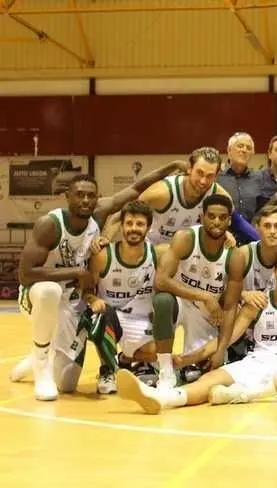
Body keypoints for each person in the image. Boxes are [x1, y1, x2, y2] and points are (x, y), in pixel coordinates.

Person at [11, 159, 187, 401]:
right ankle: (41, 362)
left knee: (67, 384)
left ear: (97, 197)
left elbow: (137, 188)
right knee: (49, 291)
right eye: (79, 195)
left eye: (90, 195)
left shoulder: (99, 214)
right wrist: (76, 272)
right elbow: (26, 273)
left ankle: (38, 354)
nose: (85, 200)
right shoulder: (50, 225)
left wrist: (171, 166)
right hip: (37, 295)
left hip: (73, 299)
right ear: (67, 196)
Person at [117, 247, 277, 414]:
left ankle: (246, 395)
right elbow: (226, 339)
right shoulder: (257, 303)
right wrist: (187, 359)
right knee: (210, 380)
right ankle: (161, 398)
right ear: (274, 271)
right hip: (258, 362)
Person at [149, 194, 247, 388]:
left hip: (206, 313)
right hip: (180, 301)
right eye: (211, 216)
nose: (216, 221)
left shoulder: (235, 256)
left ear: (229, 220)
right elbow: (160, 280)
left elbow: (230, 307)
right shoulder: (185, 238)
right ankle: (165, 370)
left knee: (201, 372)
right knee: (163, 301)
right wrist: (204, 296)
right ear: (202, 217)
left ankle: (184, 365)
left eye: (222, 217)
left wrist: (221, 349)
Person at [84, 201, 162, 394]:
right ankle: (107, 370)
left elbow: (191, 243)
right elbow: (86, 290)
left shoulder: (158, 254)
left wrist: (227, 236)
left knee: (156, 353)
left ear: (148, 227)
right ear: (121, 227)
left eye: (140, 224)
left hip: (140, 318)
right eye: (129, 223)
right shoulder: (103, 256)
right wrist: (94, 300)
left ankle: (126, 359)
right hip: (110, 316)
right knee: (102, 313)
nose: (133, 228)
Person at [100, 147, 240, 246]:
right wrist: (105, 239)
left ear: (216, 176)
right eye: (200, 173)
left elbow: (227, 223)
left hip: (186, 254)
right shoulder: (161, 193)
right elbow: (121, 215)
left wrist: (225, 234)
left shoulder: (220, 197)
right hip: (153, 250)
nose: (203, 181)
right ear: (189, 168)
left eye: (210, 176)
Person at [226, 204, 277, 362]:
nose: (272, 231)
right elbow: (222, 288)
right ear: (257, 227)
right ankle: (228, 350)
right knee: (227, 306)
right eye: (267, 226)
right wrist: (243, 294)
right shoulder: (244, 254)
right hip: (246, 319)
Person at [216, 132, 270, 244]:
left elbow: (264, 210)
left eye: (248, 148)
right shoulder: (217, 178)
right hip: (222, 238)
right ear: (229, 150)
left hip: (252, 240)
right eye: (240, 146)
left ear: (252, 154)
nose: (244, 150)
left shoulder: (260, 178)